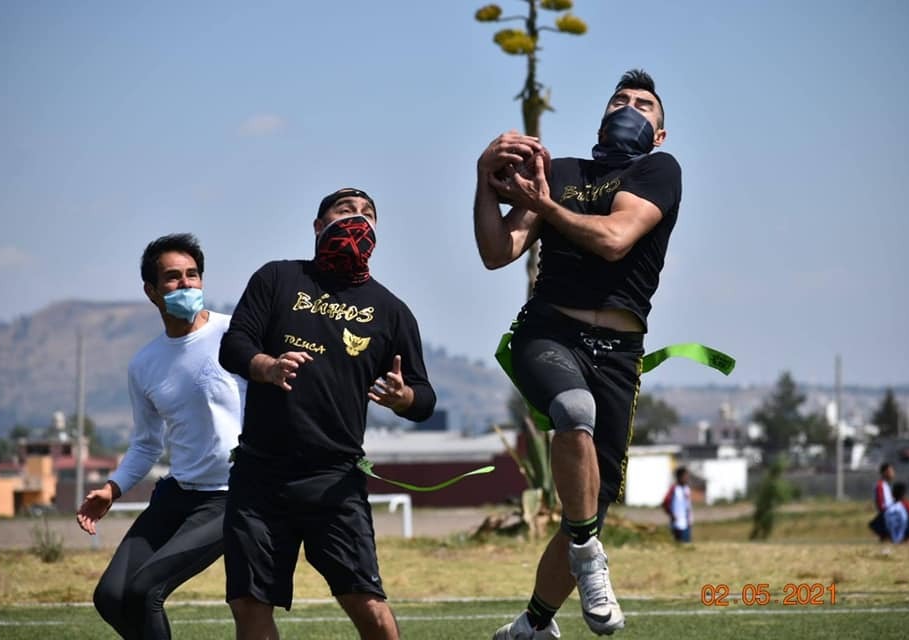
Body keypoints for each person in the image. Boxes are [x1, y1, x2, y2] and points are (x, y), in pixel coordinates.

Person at [475, 68, 681, 639]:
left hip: (619, 352)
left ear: (658, 134)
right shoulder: (561, 171)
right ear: (602, 115)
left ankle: (534, 626)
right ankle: (591, 558)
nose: (630, 108)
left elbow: (616, 240)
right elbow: (500, 250)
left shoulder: (658, 170)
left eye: (644, 105)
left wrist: (546, 206)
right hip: (549, 333)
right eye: (622, 100)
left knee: (588, 504)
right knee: (573, 412)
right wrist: (483, 182)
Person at [218, 187, 436, 640]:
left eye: (367, 214)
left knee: (366, 601)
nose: (358, 218)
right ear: (319, 226)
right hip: (260, 473)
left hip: (334, 479)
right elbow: (234, 346)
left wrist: (404, 398)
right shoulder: (277, 279)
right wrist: (268, 366)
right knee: (249, 601)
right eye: (345, 210)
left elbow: (425, 397)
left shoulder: (391, 311)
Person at [76, 233, 246, 639]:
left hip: (231, 495)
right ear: (151, 291)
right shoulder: (145, 364)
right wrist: (113, 489)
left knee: (144, 589)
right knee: (111, 596)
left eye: (193, 274)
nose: (186, 284)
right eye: (172, 277)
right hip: (177, 494)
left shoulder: (237, 335)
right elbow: (147, 442)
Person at [661, 466, 693, 542]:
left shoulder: (687, 489)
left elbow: (688, 505)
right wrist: (671, 514)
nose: (687, 478)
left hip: (687, 523)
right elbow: (665, 503)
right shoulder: (674, 489)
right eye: (685, 476)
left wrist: (689, 518)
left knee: (687, 546)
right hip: (677, 524)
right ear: (679, 477)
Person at [868, 462, 895, 541]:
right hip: (887, 515)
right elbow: (880, 503)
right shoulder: (880, 485)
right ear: (884, 472)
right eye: (891, 471)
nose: (893, 473)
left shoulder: (886, 485)